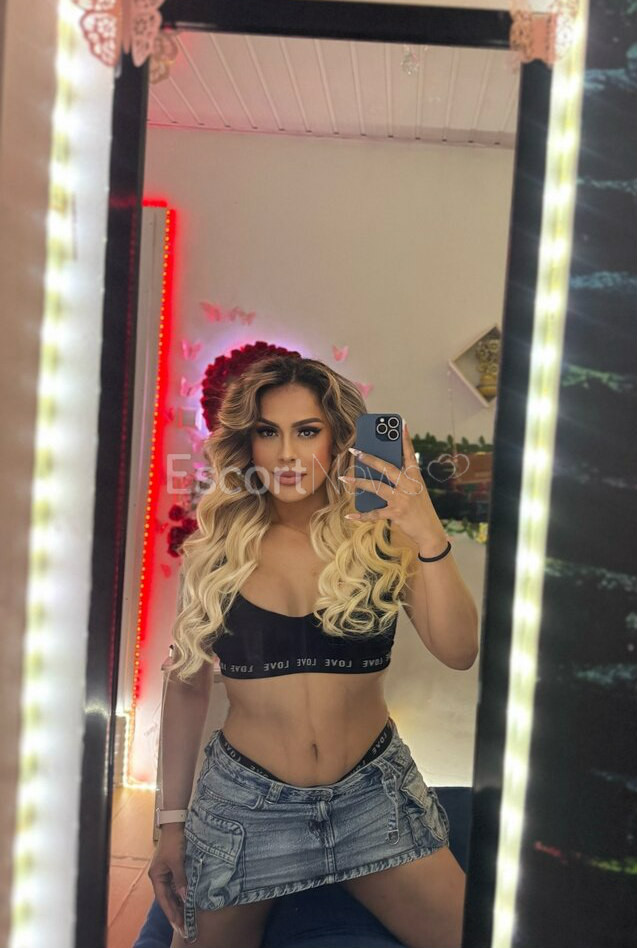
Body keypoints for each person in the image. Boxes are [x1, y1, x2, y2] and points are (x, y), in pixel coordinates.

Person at [148, 355, 479, 948]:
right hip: (246, 812)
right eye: (267, 432)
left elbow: (460, 651)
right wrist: (170, 823)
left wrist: (427, 530)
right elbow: (187, 684)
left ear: (338, 438)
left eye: (307, 431)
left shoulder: (382, 539)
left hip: (373, 798)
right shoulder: (219, 547)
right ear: (247, 443)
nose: (286, 454)